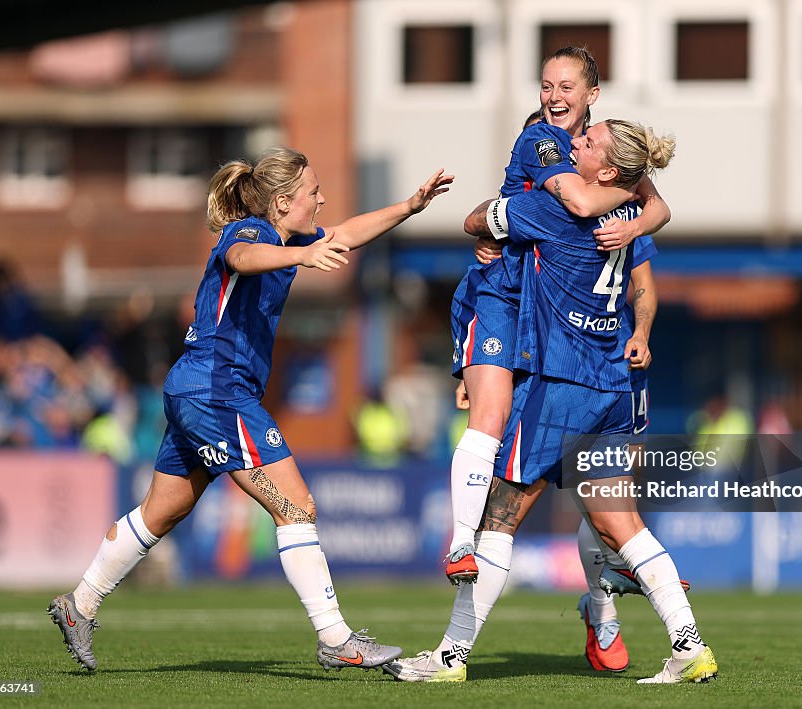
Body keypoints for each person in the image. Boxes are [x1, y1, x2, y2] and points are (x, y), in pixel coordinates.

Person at [47, 146, 453, 672]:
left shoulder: (289, 237)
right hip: (218, 394)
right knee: (296, 506)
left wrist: (409, 206)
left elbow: (345, 234)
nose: (322, 199)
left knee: (161, 512)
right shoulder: (253, 233)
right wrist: (301, 257)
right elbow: (240, 259)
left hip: (198, 392)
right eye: (313, 192)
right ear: (283, 202)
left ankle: (79, 605)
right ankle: (336, 639)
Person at [388, 119, 718, 685]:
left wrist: (512, 198)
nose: (576, 144)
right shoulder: (628, 215)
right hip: (613, 383)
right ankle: (691, 646)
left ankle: (449, 656)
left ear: (607, 170)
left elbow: (473, 222)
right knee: (621, 525)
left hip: (561, 384)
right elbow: (649, 225)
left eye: (588, 144)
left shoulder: (554, 211)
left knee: (499, 515)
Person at [445, 46, 671, 587]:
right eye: (546, 85)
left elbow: (658, 217)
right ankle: (463, 564)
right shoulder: (557, 151)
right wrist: (491, 229)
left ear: (592, 96)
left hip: (601, 355)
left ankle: (604, 608)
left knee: (604, 498)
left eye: (566, 87)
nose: (553, 97)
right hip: (530, 329)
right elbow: (564, 204)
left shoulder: (613, 164)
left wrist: (640, 327)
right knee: (515, 480)